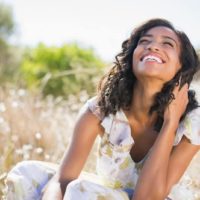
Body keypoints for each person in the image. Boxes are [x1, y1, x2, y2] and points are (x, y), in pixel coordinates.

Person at [6, 18, 200, 200]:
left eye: (167, 43)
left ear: (181, 66)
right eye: (144, 41)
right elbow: (62, 180)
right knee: (25, 173)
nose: (153, 46)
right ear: (132, 56)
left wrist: (170, 122)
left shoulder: (192, 122)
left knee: (80, 190)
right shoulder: (100, 110)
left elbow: (146, 197)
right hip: (110, 194)